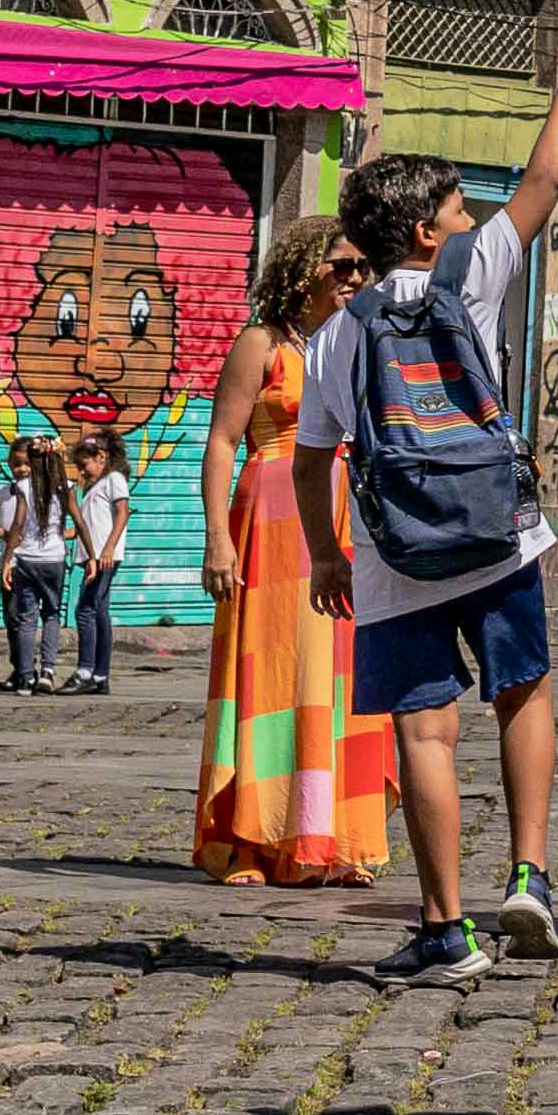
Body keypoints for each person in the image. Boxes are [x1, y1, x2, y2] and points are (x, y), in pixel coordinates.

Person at [298, 30, 558, 988]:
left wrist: (326, 556)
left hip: (396, 552)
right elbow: (549, 178)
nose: (473, 218)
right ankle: (532, 877)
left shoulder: (336, 331)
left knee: (425, 728)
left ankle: (444, 930)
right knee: (525, 692)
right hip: (499, 533)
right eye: (460, 206)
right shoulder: (474, 274)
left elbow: (313, 458)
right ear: (427, 229)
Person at [195, 219, 391, 887]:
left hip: (339, 518)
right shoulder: (261, 342)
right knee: (272, 676)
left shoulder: (349, 343)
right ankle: (253, 840)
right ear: (304, 266)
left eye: (362, 265)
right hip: (270, 520)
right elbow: (222, 439)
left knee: (337, 679)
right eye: (341, 263)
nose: (355, 276)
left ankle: (329, 836)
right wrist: (216, 535)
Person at [0, 432, 78, 694]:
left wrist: (7, 560)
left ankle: (26, 677)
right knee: (51, 615)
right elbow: (81, 523)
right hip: (54, 560)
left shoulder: (23, 489)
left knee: (25, 619)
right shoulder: (67, 486)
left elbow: (17, 526)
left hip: (26, 560)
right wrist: (93, 555)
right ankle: (48, 672)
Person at [64, 431, 131, 696]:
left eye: (84, 465)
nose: (82, 472)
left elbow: (122, 513)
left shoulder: (113, 479)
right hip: (99, 556)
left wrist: (109, 548)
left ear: (101, 457)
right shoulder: (96, 486)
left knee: (85, 610)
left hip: (105, 557)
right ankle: (100, 676)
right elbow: (92, 522)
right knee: (99, 612)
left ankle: (85, 671)